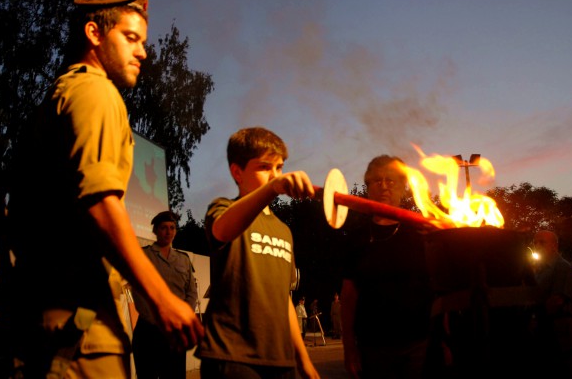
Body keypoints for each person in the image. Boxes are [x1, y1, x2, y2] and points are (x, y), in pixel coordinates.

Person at [7, 0, 203, 378]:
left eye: (143, 42)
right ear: (94, 34)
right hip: (80, 327)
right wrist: (161, 298)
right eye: (130, 38)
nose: (143, 52)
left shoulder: (60, 94)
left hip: (49, 319)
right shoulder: (96, 91)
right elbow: (99, 202)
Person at [195, 127, 320, 379]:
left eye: (279, 167)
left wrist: (303, 361)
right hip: (232, 356)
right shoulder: (222, 208)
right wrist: (272, 188)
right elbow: (222, 230)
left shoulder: (283, 230)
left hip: (280, 359)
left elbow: (284, 298)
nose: (275, 175)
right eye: (264, 167)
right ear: (237, 172)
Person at [340, 155, 432, 379]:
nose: (383, 186)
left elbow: (438, 288)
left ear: (402, 187)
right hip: (373, 347)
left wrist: (445, 339)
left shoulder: (422, 233)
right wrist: (349, 348)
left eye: (391, 180)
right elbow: (349, 296)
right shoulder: (356, 239)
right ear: (368, 188)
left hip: (420, 344)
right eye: (377, 180)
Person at [131, 211, 198, 379]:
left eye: (172, 228)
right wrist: (158, 318)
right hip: (148, 330)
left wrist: (181, 317)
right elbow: (138, 291)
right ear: (155, 231)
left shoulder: (183, 260)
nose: (168, 232)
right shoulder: (144, 255)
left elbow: (191, 292)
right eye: (163, 228)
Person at [532, 230, 572, 378]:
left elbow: (557, 301)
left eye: (542, 242)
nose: (537, 245)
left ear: (554, 246)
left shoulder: (562, 267)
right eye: (535, 242)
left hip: (561, 332)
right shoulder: (541, 269)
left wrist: (533, 318)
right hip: (548, 329)